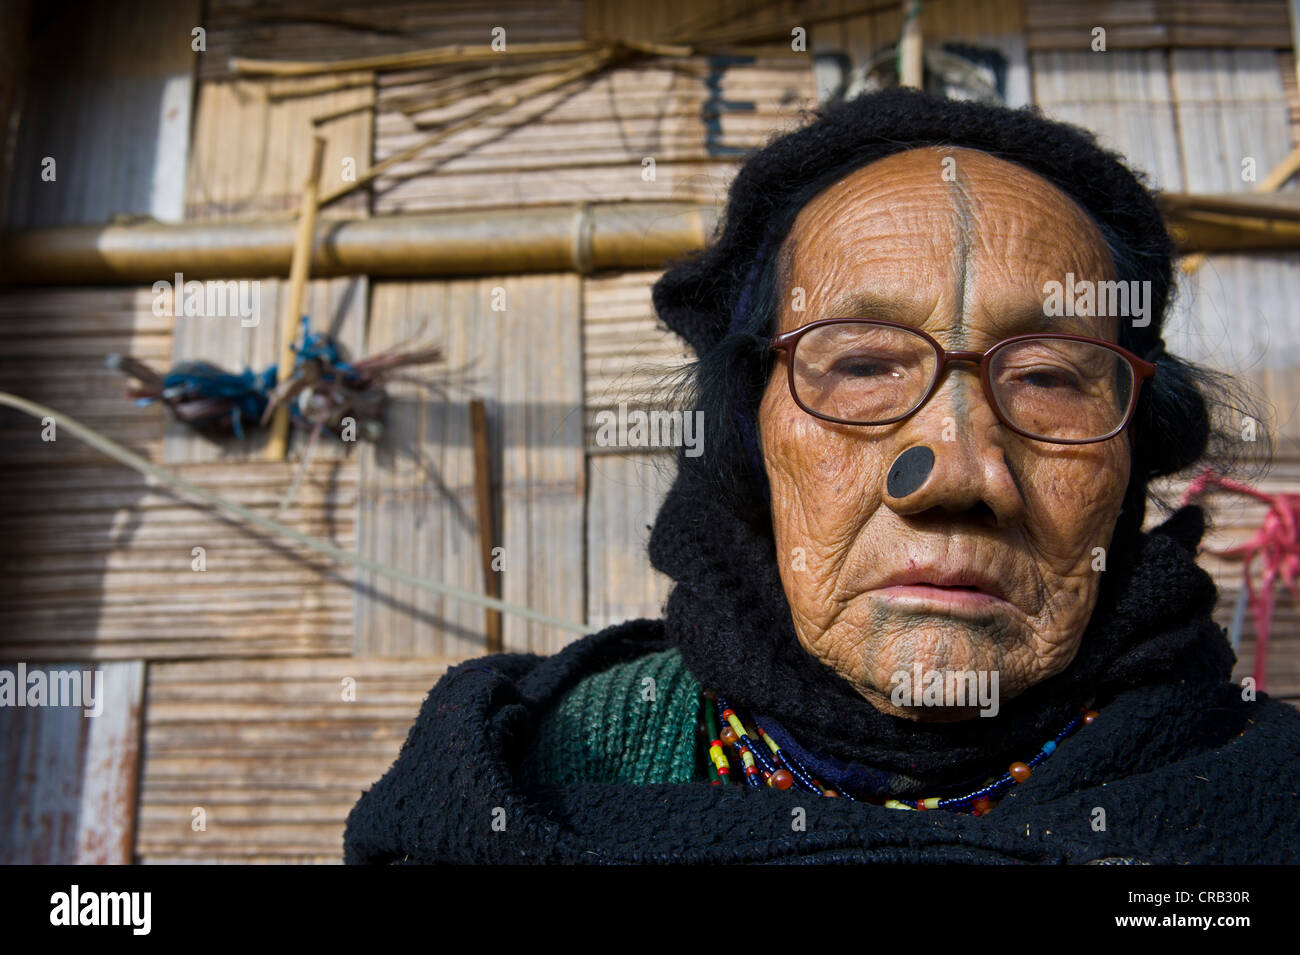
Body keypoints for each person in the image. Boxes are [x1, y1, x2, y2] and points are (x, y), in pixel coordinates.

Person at [344, 87, 1300, 864]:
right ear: (747, 437)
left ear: (1136, 456)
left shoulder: (1263, 801)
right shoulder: (534, 779)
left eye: (1049, 377)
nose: (958, 476)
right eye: (863, 365)